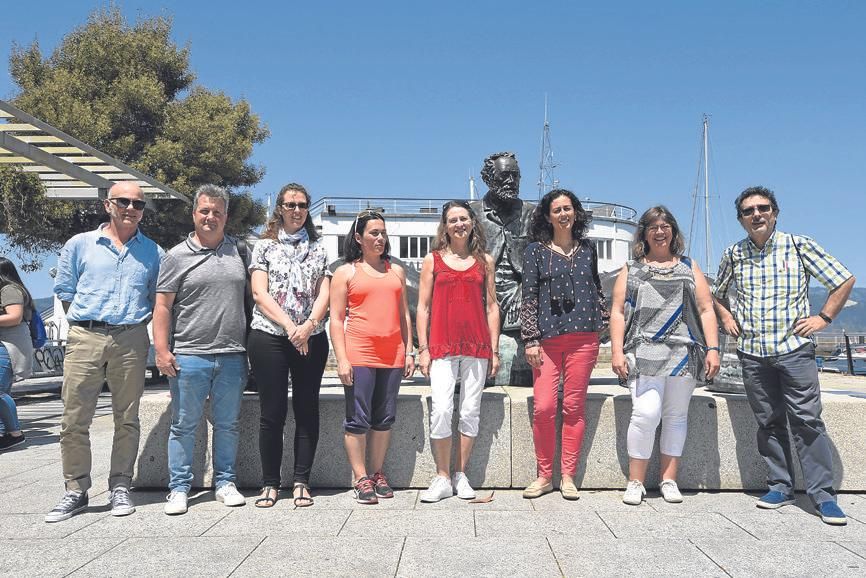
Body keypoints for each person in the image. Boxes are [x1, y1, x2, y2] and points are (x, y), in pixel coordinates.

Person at [713, 186, 855, 526]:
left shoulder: (798, 245)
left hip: (794, 351)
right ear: (741, 219)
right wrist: (727, 317)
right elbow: (717, 294)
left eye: (763, 208)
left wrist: (823, 318)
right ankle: (780, 485)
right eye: (749, 211)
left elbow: (844, 279)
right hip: (753, 353)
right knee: (768, 422)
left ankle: (822, 495)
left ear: (775, 213)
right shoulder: (734, 253)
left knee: (807, 420)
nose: (757, 214)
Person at [47, 182, 162, 523]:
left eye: (138, 204)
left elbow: (158, 299)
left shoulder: (155, 253)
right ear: (107, 205)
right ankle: (76, 489)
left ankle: (120, 485)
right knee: (73, 418)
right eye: (123, 201)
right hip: (86, 334)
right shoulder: (79, 245)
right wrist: (88, 324)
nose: (131, 208)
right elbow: (66, 291)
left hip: (131, 337)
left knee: (127, 417)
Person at [609, 206, 720, 506]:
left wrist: (713, 348)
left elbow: (707, 309)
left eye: (665, 226)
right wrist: (616, 351)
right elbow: (617, 312)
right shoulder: (631, 269)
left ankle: (668, 480)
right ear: (644, 233)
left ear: (673, 231)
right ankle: (636, 482)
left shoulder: (688, 266)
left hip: (683, 351)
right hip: (642, 350)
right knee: (646, 413)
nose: (660, 232)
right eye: (653, 227)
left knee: (675, 416)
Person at [153, 185, 249, 515]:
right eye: (205, 211)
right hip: (189, 355)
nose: (211, 217)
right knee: (183, 425)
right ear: (194, 214)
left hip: (232, 354)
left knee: (228, 424)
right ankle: (179, 488)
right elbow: (162, 306)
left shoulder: (239, 253)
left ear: (226, 216)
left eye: (217, 212)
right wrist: (162, 351)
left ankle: (225, 482)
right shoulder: (175, 256)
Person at [248, 183, 330, 508]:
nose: (297, 210)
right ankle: (270, 482)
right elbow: (259, 293)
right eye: (290, 204)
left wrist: (307, 327)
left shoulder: (320, 248)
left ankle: (301, 481)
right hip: (269, 335)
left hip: (311, 337)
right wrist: (290, 326)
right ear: (279, 208)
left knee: (307, 409)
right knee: (273, 411)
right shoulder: (263, 247)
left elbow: (324, 293)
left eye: (302, 205)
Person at [520, 189, 606, 500]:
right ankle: (544, 475)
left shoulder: (588, 250)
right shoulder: (535, 252)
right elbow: (528, 297)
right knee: (543, 408)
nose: (563, 214)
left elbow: (595, 288)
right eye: (556, 210)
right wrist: (530, 339)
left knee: (573, 408)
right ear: (547, 216)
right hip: (547, 341)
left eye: (567, 208)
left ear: (576, 212)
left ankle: (567, 475)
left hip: (584, 338)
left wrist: (603, 324)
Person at [416, 201, 500, 503]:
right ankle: (441, 477)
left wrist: (494, 349)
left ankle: (460, 475)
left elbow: (492, 307)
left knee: (469, 412)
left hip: (476, 346)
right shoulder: (432, 260)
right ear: (445, 226)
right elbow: (423, 307)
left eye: (464, 218)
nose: (459, 224)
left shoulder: (485, 261)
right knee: (441, 409)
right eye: (453, 220)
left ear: (472, 223)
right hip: (441, 345)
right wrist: (422, 349)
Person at [329, 210, 414, 504]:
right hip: (359, 353)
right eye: (373, 233)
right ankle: (360, 477)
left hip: (392, 355)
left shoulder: (397, 271)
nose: (379, 238)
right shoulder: (345, 273)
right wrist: (341, 359)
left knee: (385, 418)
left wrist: (410, 349)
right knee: (358, 419)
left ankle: (377, 473)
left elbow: (404, 315)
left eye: (382, 232)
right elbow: (336, 319)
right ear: (358, 237)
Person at [469, 152, 535, 384]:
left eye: (516, 176)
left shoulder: (532, 213)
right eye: (505, 175)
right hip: (482, 292)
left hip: (521, 293)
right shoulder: (471, 213)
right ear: (488, 178)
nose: (511, 181)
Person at [0, 258, 35, 451]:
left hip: (9, 344)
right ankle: (7, 433)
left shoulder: (9, 289)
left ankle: (15, 433)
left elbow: (14, 316)